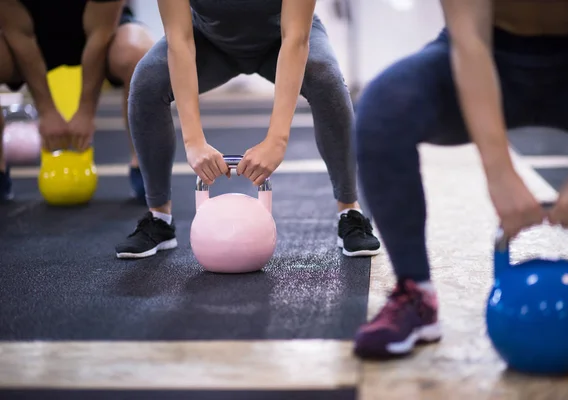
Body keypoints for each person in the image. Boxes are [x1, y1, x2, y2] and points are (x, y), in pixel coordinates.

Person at [352, 0, 568, 359]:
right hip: (488, 53)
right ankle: (416, 294)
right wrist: (498, 172)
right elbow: (470, 41)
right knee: (386, 106)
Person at [114, 0, 382, 259]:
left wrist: (276, 140)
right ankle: (159, 217)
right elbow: (179, 42)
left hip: (282, 40)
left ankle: (349, 210)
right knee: (147, 80)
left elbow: (295, 39)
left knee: (326, 76)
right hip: (208, 41)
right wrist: (193, 140)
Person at [0, 0, 154, 203]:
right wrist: (46, 111)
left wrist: (86, 112)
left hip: (104, 30)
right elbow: (20, 37)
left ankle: (146, 168)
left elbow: (100, 37)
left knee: (138, 54)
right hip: (32, 37)